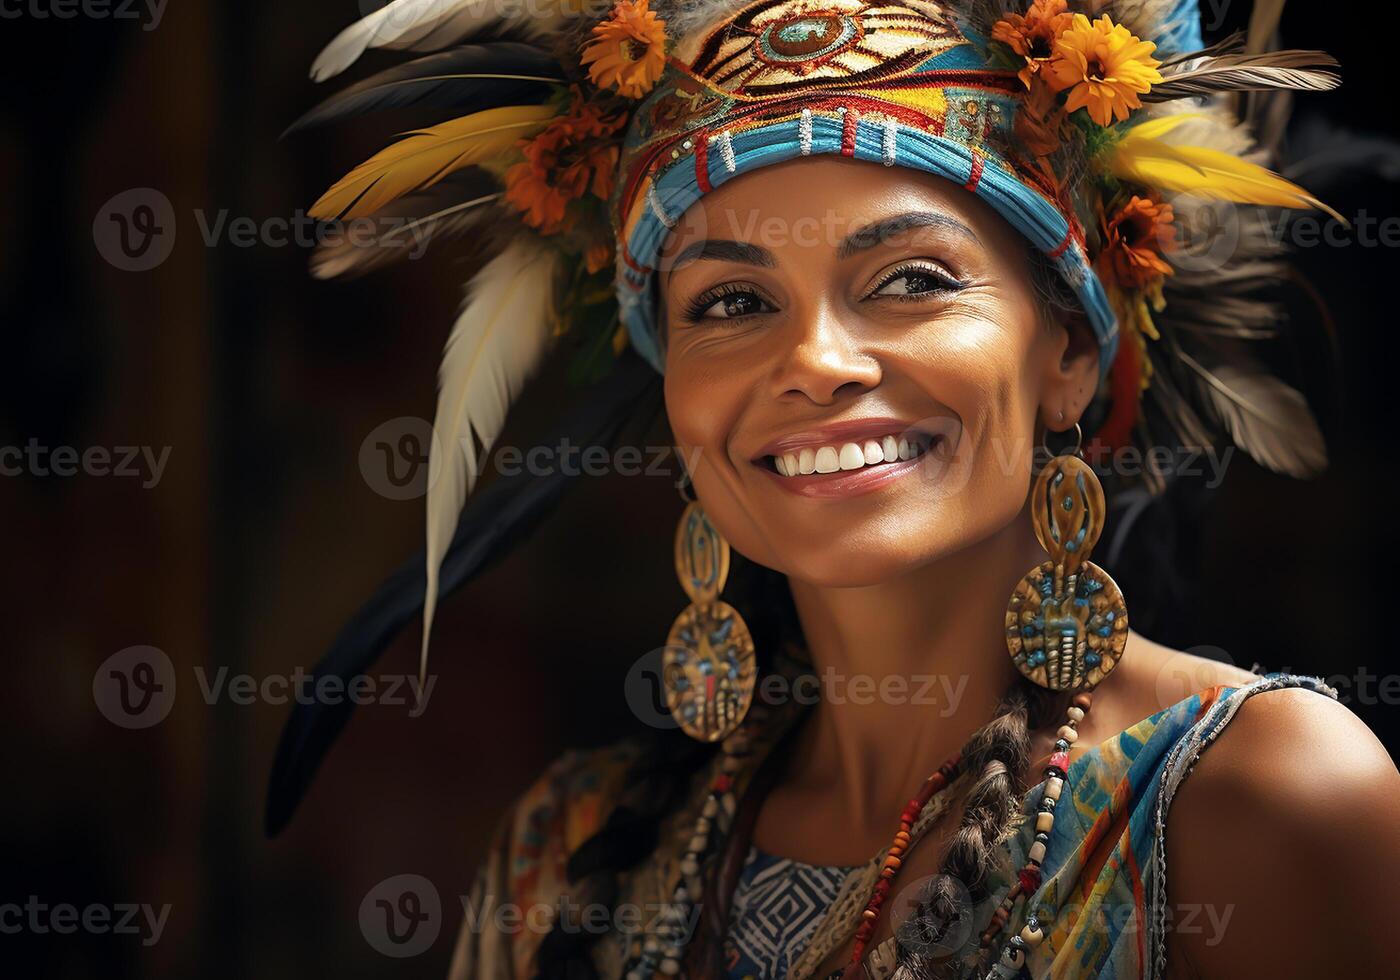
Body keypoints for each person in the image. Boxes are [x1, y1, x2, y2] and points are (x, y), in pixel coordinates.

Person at [270, 0, 1400, 976]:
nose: (813, 360)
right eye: (729, 302)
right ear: (674, 388)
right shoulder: (564, 850)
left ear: (1066, 352)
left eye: (908, 279)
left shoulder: (1260, 803)